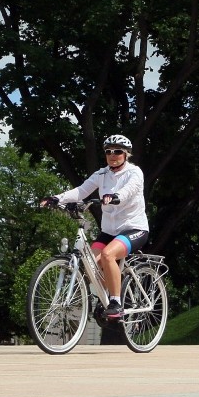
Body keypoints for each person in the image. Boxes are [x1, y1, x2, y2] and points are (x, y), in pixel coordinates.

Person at [41, 135, 149, 320]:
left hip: (133, 228)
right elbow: (81, 191)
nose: (112, 155)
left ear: (126, 154)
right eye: (108, 152)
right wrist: (57, 198)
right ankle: (106, 296)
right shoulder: (101, 174)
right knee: (92, 263)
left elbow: (129, 190)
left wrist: (114, 196)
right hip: (109, 231)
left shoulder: (134, 172)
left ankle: (116, 302)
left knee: (108, 255)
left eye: (117, 151)